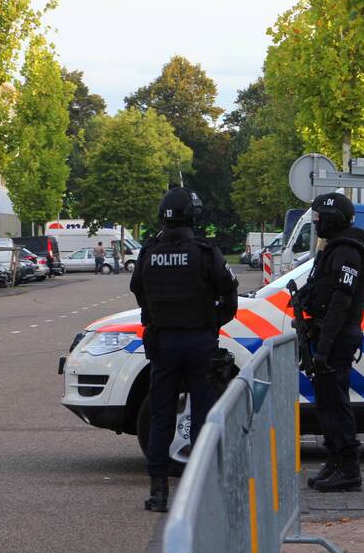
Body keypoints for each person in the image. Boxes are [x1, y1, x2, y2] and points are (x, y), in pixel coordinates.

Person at [129, 186, 238, 513]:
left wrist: (157, 319)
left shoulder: (149, 252)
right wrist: (212, 323)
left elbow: (138, 291)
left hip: (163, 343)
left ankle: (159, 492)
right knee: (204, 414)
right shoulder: (206, 252)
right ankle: (202, 492)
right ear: (193, 216)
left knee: (161, 416)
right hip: (200, 342)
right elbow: (229, 294)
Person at [296, 192, 364, 493]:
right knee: (326, 403)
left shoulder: (347, 251)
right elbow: (320, 287)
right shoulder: (334, 249)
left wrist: (324, 349)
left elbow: (341, 301)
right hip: (328, 335)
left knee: (336, 404)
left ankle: (348, 468)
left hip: (337, 337)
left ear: (331, 219)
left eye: (318, 218)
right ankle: (335, 460)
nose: (316, 224)